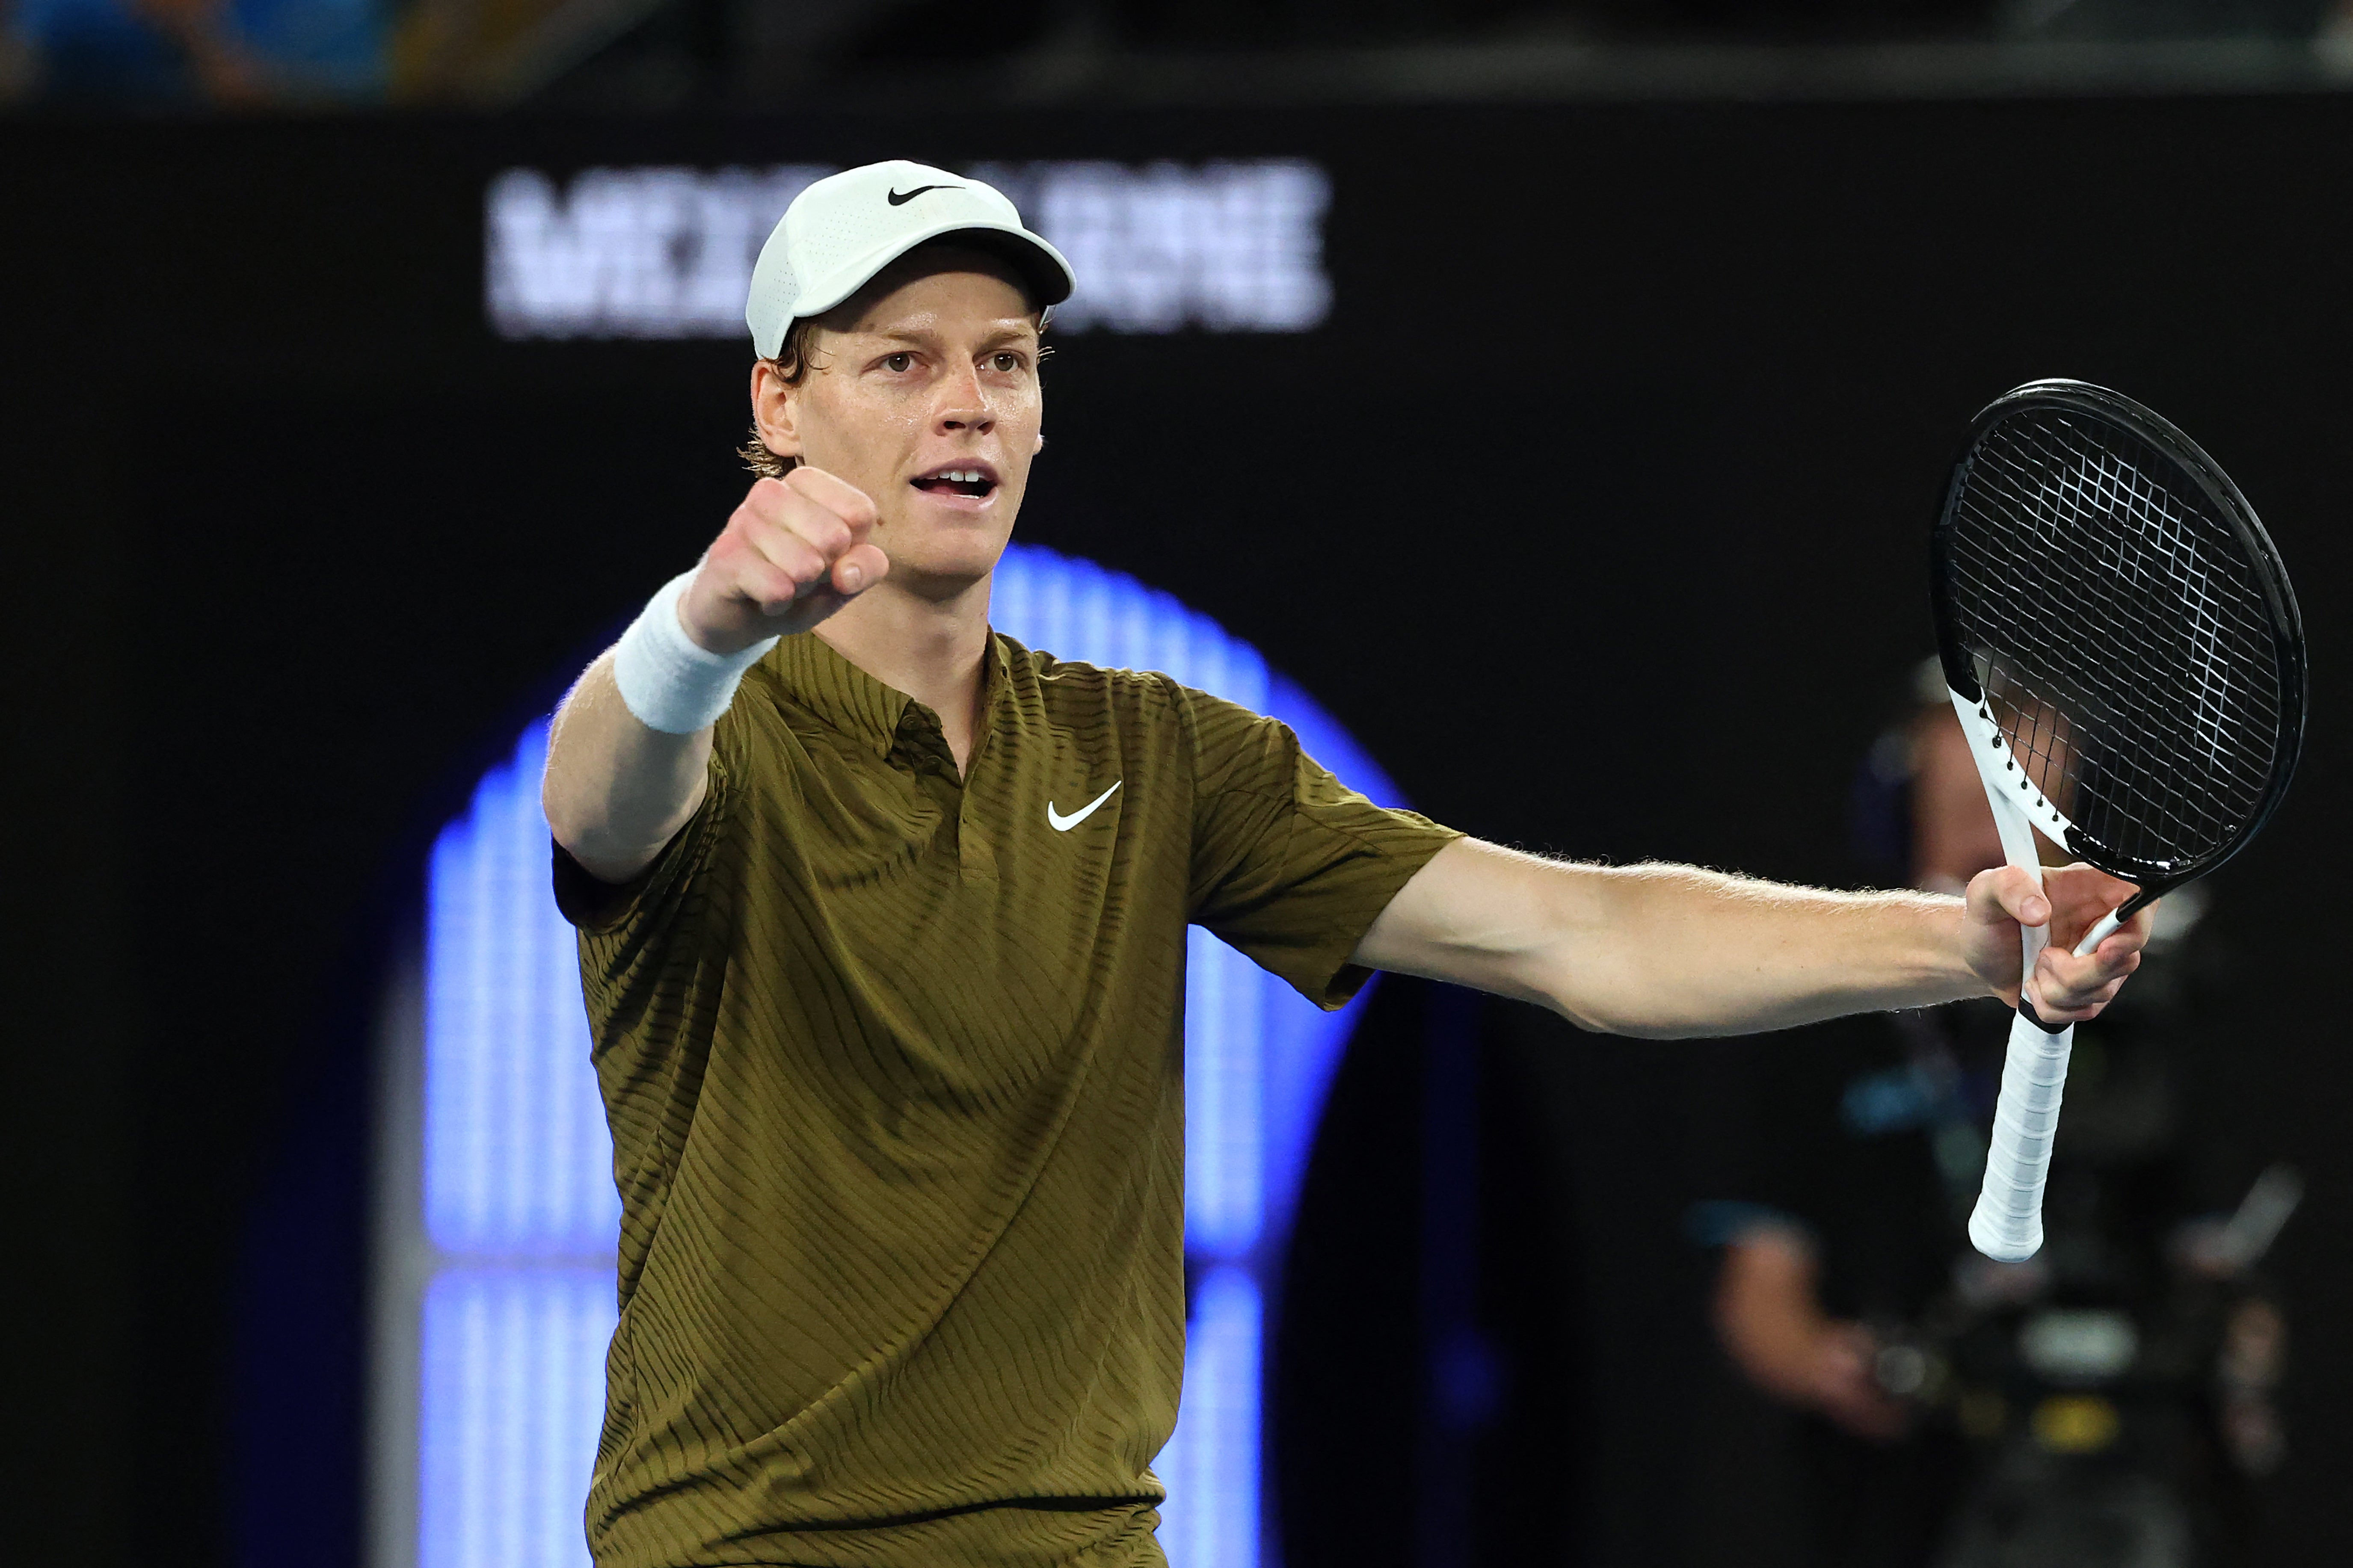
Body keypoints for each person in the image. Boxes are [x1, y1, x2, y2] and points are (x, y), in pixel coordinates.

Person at [539, 160, 2148, 1568]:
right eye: (901, 361)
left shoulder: (1158, 754)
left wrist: (1959, 942)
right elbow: (600, 798)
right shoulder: (709, 724)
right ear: (777, 404)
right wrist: (697, 633)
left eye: (1007, 362)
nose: (967, 401)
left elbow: (1579, 935)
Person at [1696, 663, 2285, 1568]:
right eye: (1967, 796)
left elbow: (2218, 1264)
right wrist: (1837, 1365)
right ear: (1903, 809)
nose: (1996, 827)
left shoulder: (2155, 1010)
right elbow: (1759, 1286)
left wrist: (2226, 1367)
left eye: (2021, 798)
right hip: (1907, 1496)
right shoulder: (1820, 1013)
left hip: (2133, 1480)